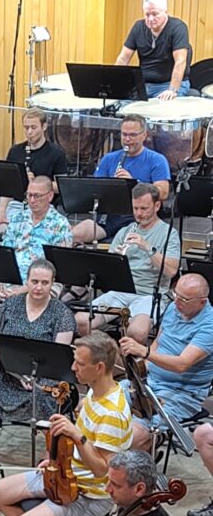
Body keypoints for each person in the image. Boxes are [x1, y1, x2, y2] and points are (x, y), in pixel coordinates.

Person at [0, 333, 133, 516]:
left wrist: (77, 436)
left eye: (80, 364)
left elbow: (102, 470)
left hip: (88, 494)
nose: (73, 368)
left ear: (100, 367)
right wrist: (57, 461)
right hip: (65, 476)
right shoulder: (94, 391)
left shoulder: (112, 413)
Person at [120, 271, 213, 455]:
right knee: (94, 403)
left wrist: (144, 352)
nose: (177, 301)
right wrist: (140, 369)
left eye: (184, 299)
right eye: (175, 294)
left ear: (202, 302)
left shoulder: (209, 325)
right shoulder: (174, 307)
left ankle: (146, 452)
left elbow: (182, 364)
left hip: (182, 393)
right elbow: (158, 343)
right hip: (150, 382)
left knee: (134, 435)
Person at [74, 183, 180, 343]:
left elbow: (172, 271)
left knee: (136, 332)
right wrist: (114, 260)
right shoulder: (125, 231)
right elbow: (106, 270)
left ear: (157, 205)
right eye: (135, 208)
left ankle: (129, 361)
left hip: (149, 294)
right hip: (121, 291)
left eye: (144, 208)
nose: (139, 214)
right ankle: (111, 354)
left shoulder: (169, 233)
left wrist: (147, 247)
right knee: (81, 321)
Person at [0, 258, 76, 421]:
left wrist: (32, 378)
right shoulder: (10, 304)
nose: (38, 287)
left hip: (42, 376)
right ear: (27, 281)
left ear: (53, 283)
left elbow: (58, 361)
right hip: (8, 372)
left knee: (45, 395)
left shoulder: (63, 314)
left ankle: (50, 441)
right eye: (34, 281)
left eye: (45, 283)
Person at [0, 176, 71, 308]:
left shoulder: (61, 224)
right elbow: (4, 255)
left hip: (40, 283)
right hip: (9, 278)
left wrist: (21, 290)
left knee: (16, 309)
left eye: (37, 196)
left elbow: (55, 269)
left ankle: (7, 324)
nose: (32, 200)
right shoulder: (17, 218)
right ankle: (2, 325)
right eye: (29, 195)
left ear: (50, 196)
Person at [72, 115, 170, 244]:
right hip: (108, 218)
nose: (127, 139)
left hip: (139, 218)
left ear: (144, 135)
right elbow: (95, 190)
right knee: (73, 235)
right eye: (124, 135)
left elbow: (163, 192)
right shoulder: (109, 158)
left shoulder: (157, 160)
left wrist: (134, 184)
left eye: (133, 135)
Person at [0, 111, 68, 232]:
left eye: (34, 127)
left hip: (43, 207)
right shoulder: (15, 151)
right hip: (17, 205)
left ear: (44, 127)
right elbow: (7, 187)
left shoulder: (56, 153)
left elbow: (61, 186)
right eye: (26, 128)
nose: (29, 132)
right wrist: (1, 213)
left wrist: (34, 184)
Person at [115, 0, 191, 100]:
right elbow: (123, 58)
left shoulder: (178, 28)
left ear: (166, 12)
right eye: (147, 14)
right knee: (117, 107)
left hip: (168, 84)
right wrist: (114, 84)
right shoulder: (138, 27)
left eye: (155, 14)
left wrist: (172, 90)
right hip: (143, 85)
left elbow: (180, 61)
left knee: (162, 109)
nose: (150, 19)